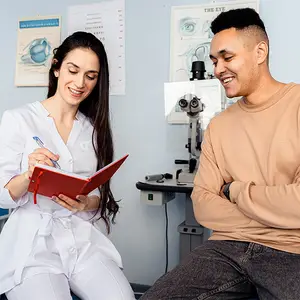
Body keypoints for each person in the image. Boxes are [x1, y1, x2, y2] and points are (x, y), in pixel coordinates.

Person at [141, 8, 300, 300]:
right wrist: (275, 213)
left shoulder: (296, 106)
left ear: (260, 51)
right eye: (214, 61)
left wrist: (235, 190)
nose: (217, 69)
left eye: (227, 58)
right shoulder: (219, 125)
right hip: (227, 248)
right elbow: (203, 204)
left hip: (291, 249)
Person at [0, 31, 135, 300]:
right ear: (56, 67)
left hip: (81, 240)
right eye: (73, 70)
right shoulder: (18, 119)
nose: (80, 83)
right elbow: (3, 195)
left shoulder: (93, 130)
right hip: (33, 246)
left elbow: (100, 197)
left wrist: (86, 203)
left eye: (91, 76)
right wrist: (29, 175)